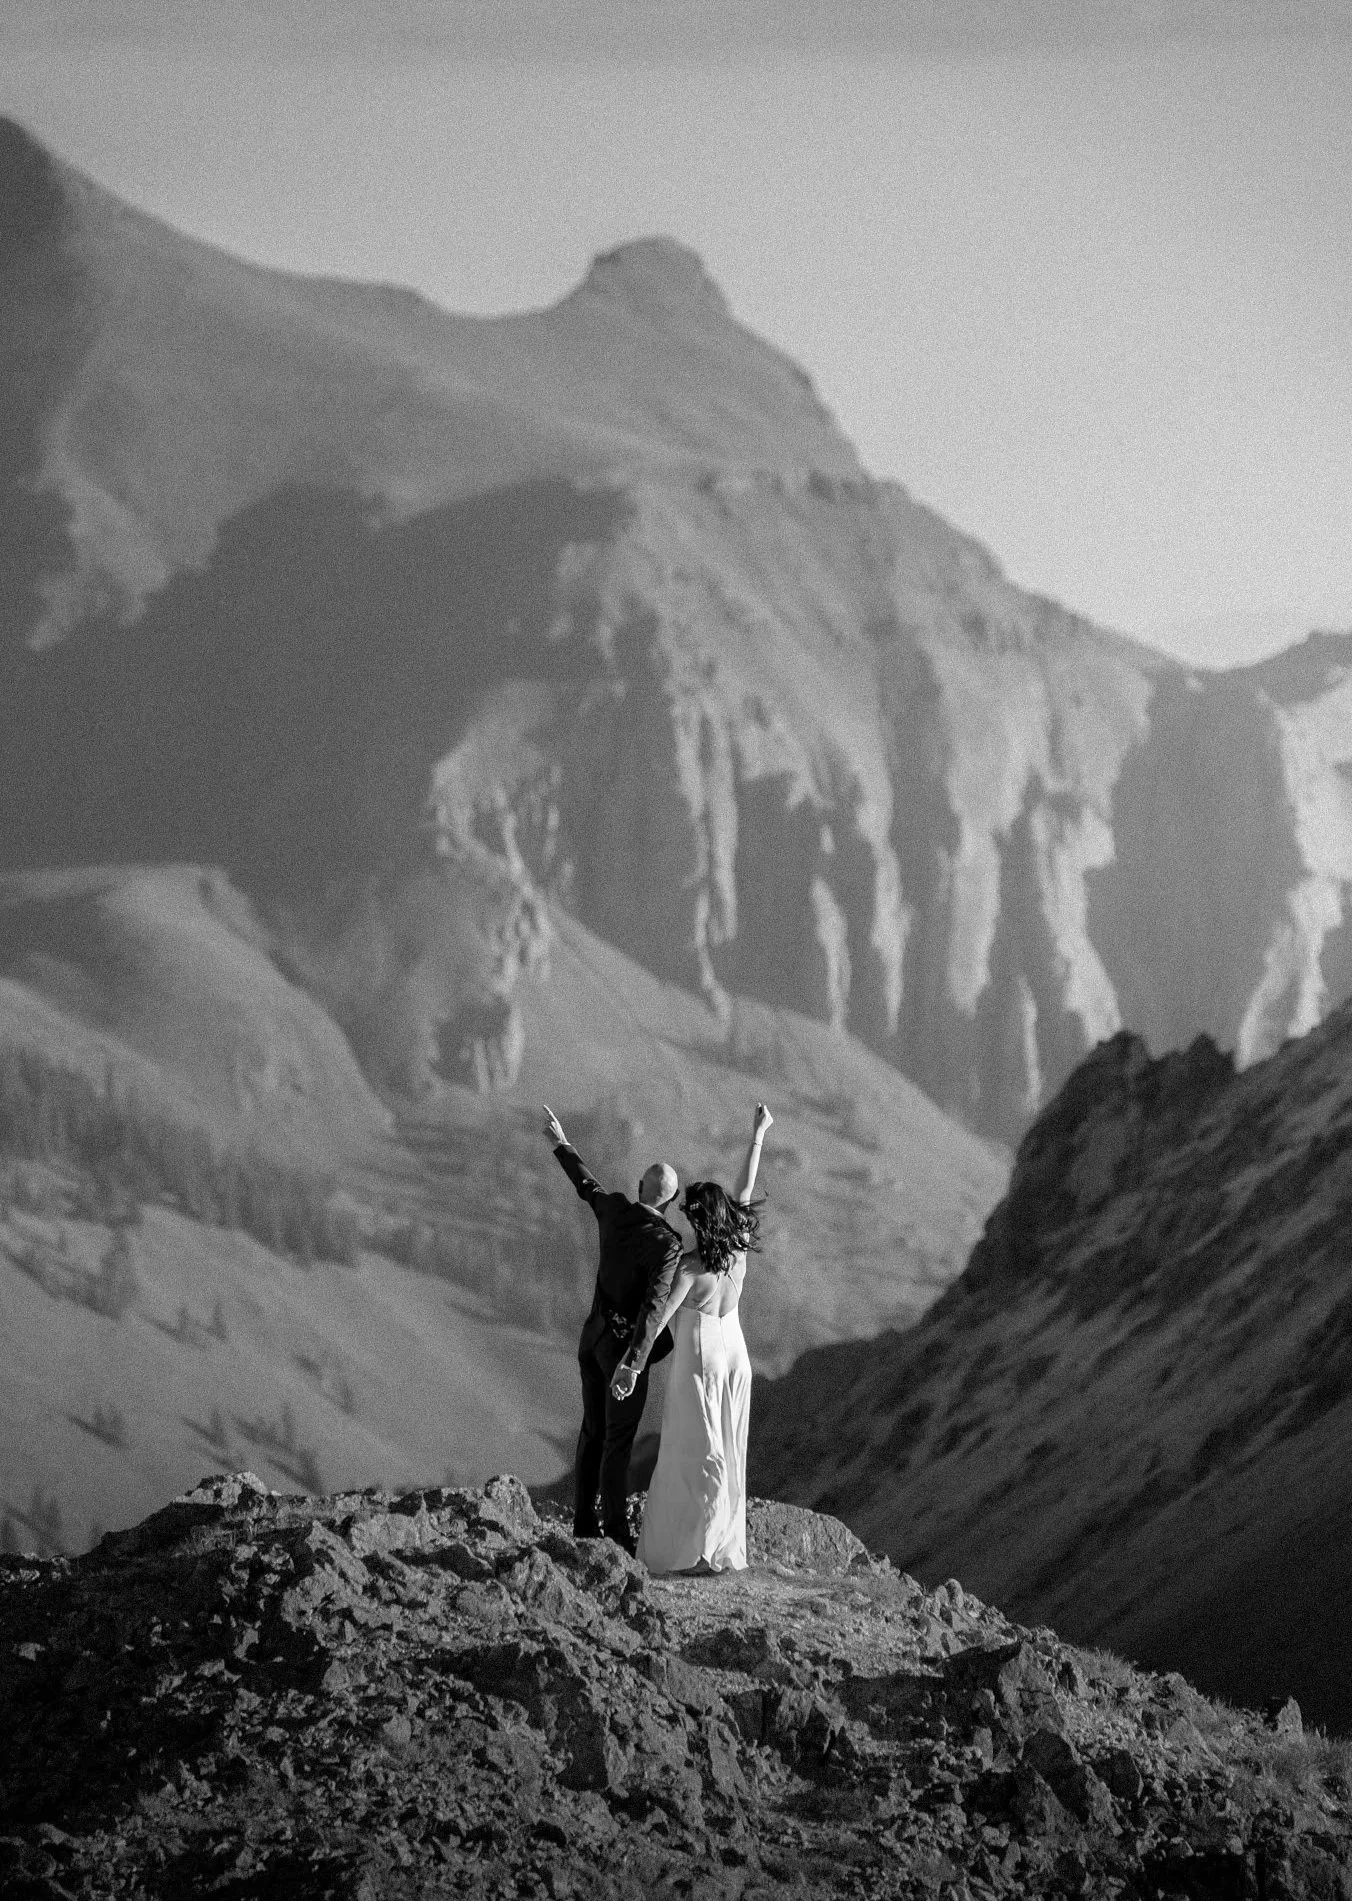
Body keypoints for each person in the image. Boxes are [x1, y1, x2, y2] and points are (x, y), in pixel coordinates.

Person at [611, 1102, 772, 1575]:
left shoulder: (689, 1268)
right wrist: (758, 1133)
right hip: (736, 1355)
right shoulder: (737, 1248)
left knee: (693, 1454)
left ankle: (693, 1551)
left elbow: (658, 1321)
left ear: (700, 1221)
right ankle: (722, 1545)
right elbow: (744, 1189)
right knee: (728, 1447)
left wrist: (631, 1366)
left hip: (700, 1360)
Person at [543, 1105, 683, 1555]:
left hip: (592, 1338)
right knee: (618, 1444)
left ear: (642, 1188)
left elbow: (588, 1185)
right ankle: (617, 1532)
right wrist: (633, 1366)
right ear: (670, 1202)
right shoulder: (666, 1246)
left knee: (592, 1432)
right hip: (623, 1353)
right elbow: (653, 1310)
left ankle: (585, 1521)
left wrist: (562, 1143)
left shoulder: (615, 1209)